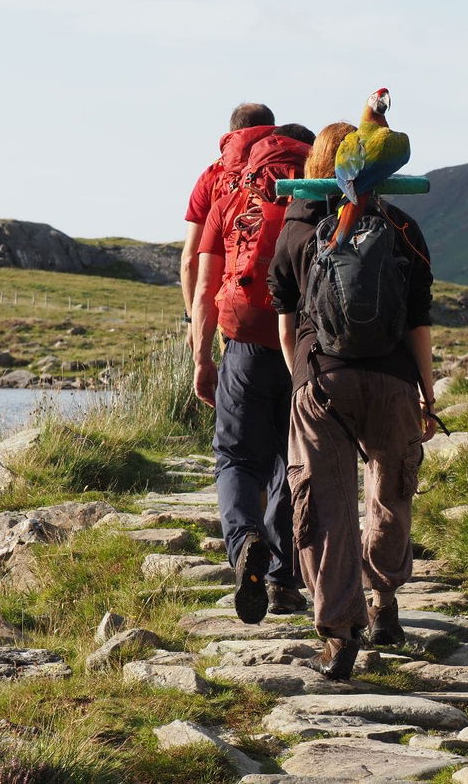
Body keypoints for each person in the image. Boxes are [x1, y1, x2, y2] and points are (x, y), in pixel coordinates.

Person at [268, 121, 438, 679]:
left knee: (324, 508)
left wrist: (300, 380)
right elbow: (418, 323)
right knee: (390, 493)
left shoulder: (299, 235)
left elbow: (286, 324)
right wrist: (427, 395)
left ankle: (340, 637)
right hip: (391, 382)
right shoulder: (403, 227)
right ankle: (385, 605)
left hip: (322, 382)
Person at [192, 123, 316, 623]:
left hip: (242, 342)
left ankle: (244, 540)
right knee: (294, 457)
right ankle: (285, 581)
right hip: (305, 342)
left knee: (237, 457)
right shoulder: (321, 198)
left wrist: (203, 357)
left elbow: (204, 287)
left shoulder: (231, 194)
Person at [180, 102, 276, 336]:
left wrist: (193, 320)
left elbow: (190, 260)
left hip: (232, 305)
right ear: (272, 129)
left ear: (232, 132)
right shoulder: (290, 169)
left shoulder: (213, 177)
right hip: (284, 302)